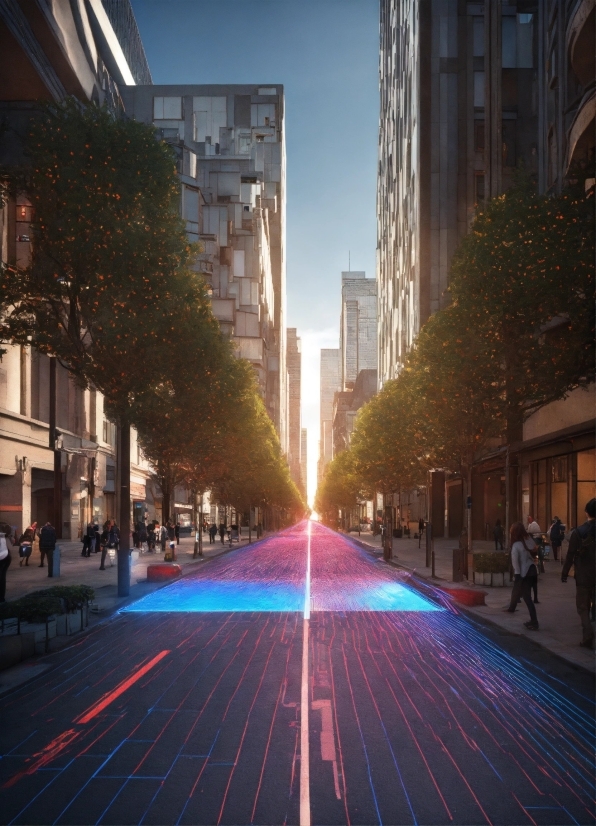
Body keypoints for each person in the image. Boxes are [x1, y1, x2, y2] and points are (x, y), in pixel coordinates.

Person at [561, 498, 595, 649]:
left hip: (583, 576)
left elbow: (570, 555)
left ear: (586, 512)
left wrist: (564, 573)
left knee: (583, 607)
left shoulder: (578, 532)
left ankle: (588, 636)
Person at [509, 521, 539, 630]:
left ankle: (534, 621)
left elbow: (515, 563)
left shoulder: (516, 545)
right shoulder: (528, 540)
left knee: (527, 597)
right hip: (532, 570)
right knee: (526, 595)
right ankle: (513, 607)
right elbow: (535, 547)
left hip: (524, 572)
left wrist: (517, 577)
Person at [0, 522, 14, 602]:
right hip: (6, 556)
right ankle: (2, 597)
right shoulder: (3, 535)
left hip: (3, 557)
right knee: (2, 577)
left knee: (1, 577)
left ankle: (1, 597)